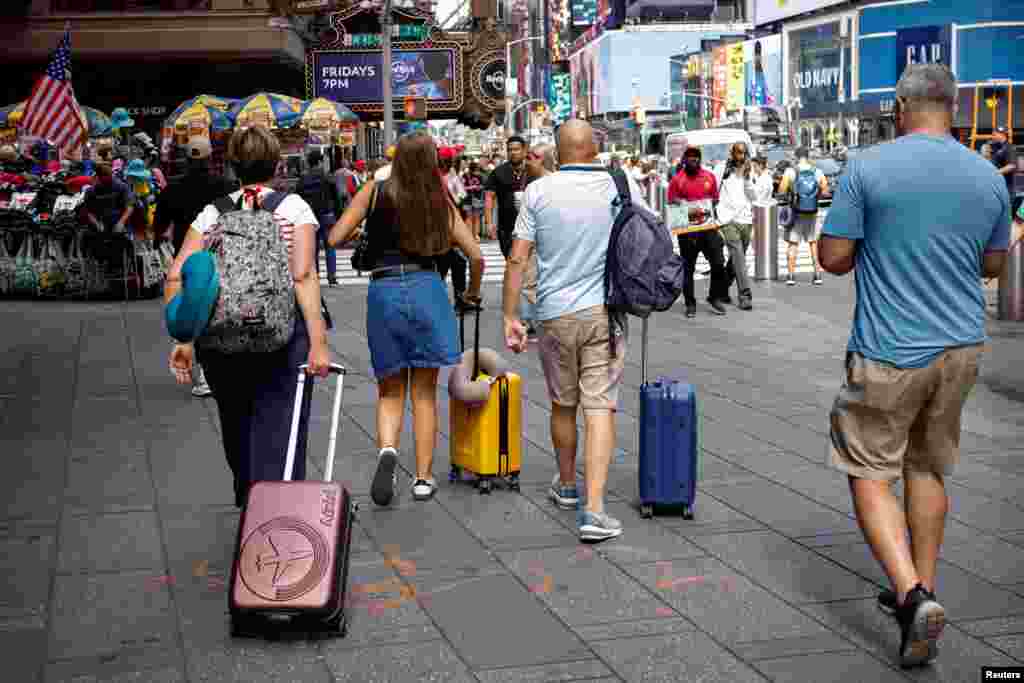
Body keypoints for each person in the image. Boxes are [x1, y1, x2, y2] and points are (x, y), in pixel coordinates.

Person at [819, 63, 1011, 669]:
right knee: (928, 469)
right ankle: (923, 594)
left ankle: (909, 594)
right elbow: (993, 266)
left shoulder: (869, 168)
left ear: (901, 106)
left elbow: (832, 257)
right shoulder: (987, 176)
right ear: (953, 107)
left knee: (870, 470)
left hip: (889, 350)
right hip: (960, 349)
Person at [165, 125, 331, 508]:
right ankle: (274, 509)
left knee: (237, 425)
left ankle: (250, 495)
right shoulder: (293, 209)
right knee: (281, 427)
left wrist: (184, 338)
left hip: (221, 337)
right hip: (283, 332)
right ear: (276, 165)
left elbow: (178, 275)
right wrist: (318, 343)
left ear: (232, 167)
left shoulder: (212, 213)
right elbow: (303, 275)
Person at [502, 120, 647, 543]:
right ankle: (595, 509)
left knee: (562, 404)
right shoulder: (620, 186)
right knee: (599, 407)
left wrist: (511, 315)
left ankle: (566, 485)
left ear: (559, 153)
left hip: (553, 316)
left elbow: (516, 258)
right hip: (603, 313)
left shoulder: (538, 192)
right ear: (594, 150)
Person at [328, 131, 484, 505]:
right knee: (425, 393)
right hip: (426, 287)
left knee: (390, 389)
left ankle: (387, 451)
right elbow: (477, 256)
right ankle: (424, 478)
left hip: (384, 291)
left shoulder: (374, 191)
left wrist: (368, 229)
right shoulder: (439, 201)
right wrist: (472, 292)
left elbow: (334, 238)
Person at [154, 137, 238, 398]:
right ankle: (226, 366)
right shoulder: (224, 187)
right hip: (221, 256)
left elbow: (159, 225)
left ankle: (204, 373)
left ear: (186, 158)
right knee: (222, 308)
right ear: (210, 157)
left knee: (195, 309)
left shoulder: (174, 189)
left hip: (188, 259)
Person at [667, 145, 730, 317]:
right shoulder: (677, 180)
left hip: (708, 228)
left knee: (718, 262)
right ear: (685, 159)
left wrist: (709, 213)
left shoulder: (709, 177)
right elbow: (672, 205)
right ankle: (690, 303)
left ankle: (714, 296)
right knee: (688, 268)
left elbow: (715, 201)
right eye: (690, 156)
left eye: (696, 156)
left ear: (699, 159)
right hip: (687, 232)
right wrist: (682, 207)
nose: (693, 159)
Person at [778, 146, 829, 285]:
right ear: (808, 156)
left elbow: (781, 190)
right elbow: (825, 191)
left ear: (796, 156)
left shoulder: (790, 171)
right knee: (813, 243)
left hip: (796, 212)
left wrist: (789, 193)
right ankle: (817, 275)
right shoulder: (817, 171)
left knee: (793, 243)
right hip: (812, 212)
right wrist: (814, 195)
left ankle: (791, 276)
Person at [717, 142, 757, 311]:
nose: (741, 156)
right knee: (738, 255)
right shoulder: (722, 169)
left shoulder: (749, 170)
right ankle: (745, 295)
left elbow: (753, 195)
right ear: (732, 153)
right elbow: (713, 189)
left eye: (744, 153)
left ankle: (721, 288)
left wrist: (748, 179)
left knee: (736, 258)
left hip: (746, 219)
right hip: (728, 220)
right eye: (739, 152)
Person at [298, 148, 342, 287]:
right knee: (330, 246)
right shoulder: (328, 177)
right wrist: (339, 214)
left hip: (310, 216)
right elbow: (337, 198)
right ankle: (332, 277)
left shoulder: (303, 179)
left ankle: (315, 276)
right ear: (320, 162)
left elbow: (298, 197)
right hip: (327, 215)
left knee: (313, 247)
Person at [484, 135, 529, 257]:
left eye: (516, 149)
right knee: (510, 260)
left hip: (529, 226)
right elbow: (489, 197)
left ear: (524, 151)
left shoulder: (532, 170)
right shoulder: (498, 172)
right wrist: (489, 223)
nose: (513, 153)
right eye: (510, 150)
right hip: (506, 228)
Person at [436, 146, 469, 309]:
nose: (447, 163)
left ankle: (459, 298)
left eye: (449, 160)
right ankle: (441, 301)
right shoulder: (433, 177)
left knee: (457, 263)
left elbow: (461, 198)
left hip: (452, 229)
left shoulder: (451, 175)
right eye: (445, 160)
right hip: (439, 230)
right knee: (442, 266)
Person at [83, 162, 134, 234]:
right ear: (99, 177)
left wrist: (121, 222)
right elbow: (88, 211)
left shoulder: (122, 187)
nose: (109, 179)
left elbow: (129, 207)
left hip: (119, 223)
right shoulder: (91, 191)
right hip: (100, 225)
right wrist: (97, 224)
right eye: (105, 177)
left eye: (110, 176)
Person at [989, 127, 1019, 214]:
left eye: (994, 134)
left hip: (1006, 188)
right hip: (997, 187)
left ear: (1002, 135)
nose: (992, 136)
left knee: (1005, 214)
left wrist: (994, 173)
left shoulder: (1009, 147)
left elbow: (1012, 166)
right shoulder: (996, 147)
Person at [463, 161, 485, 239]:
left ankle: (475, 235)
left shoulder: (480, 176)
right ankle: (470, 235)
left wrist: (479, 187)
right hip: (469, 198)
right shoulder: (465, 175)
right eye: (476, 169)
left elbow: (483, 186)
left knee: (476, 217)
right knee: (470, 217)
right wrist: (472, 187)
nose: (477, 171)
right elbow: (462, 187)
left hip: (476, 198)